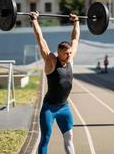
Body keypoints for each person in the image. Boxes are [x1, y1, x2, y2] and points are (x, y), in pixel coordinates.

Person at [29, 11, 79, 154]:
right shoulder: (51, 61)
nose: (69, 55)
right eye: (66, 53)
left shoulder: (70, 59)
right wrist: (35, 21)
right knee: (45, 138)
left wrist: (76, 22)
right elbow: (40, 40)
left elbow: (75, 38)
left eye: (70, 53)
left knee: (69, 136)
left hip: (64, 107)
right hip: (49, 108)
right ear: (59, 52)